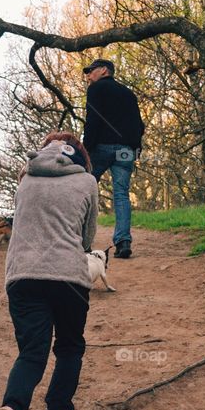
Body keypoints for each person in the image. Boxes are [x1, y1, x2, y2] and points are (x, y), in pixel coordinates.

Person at [0, 132, 99, 410]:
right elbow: (86, 238)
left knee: (31, 352)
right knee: (69, 347)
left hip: (22, 277)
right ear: (79, 155)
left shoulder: (25, 179)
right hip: (68, 278)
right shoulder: (87, 181)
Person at [81, 58, 144, 259]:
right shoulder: (128, 93)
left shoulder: (96, 89)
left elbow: (93, 119)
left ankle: (81, 241)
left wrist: (86, 148)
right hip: (125, 150)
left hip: (101, 148)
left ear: (104, 70)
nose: (88, 75)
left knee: (84, 192)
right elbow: (139, 125)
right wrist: (135, 148)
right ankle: (123, 242)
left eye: (91, 70)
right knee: (122, 195)